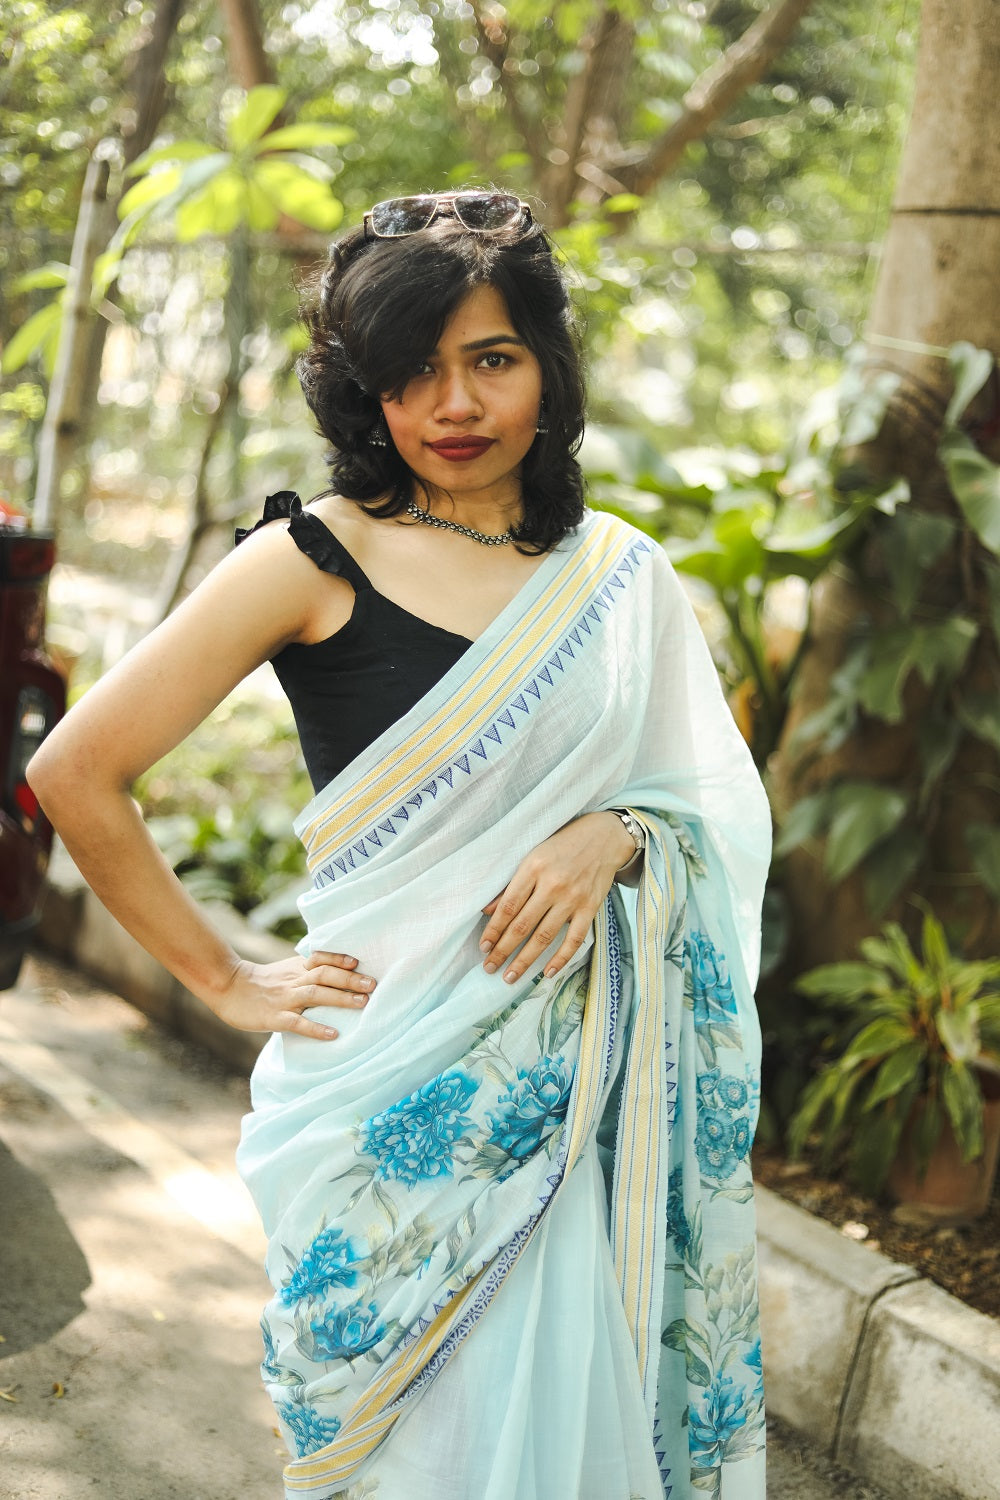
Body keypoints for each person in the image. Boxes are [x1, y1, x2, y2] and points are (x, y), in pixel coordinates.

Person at [28, 189, 771, 1500]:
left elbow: (707, 804)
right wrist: (223, 978)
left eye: (492, 359)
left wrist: (617, 832)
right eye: (413, 371)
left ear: (549, 368)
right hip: (385, 1097)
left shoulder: (621, 575)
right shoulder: (315, 556)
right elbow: (77, 771)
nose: (456, 406)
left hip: (580, 1095)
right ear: (362, 391)